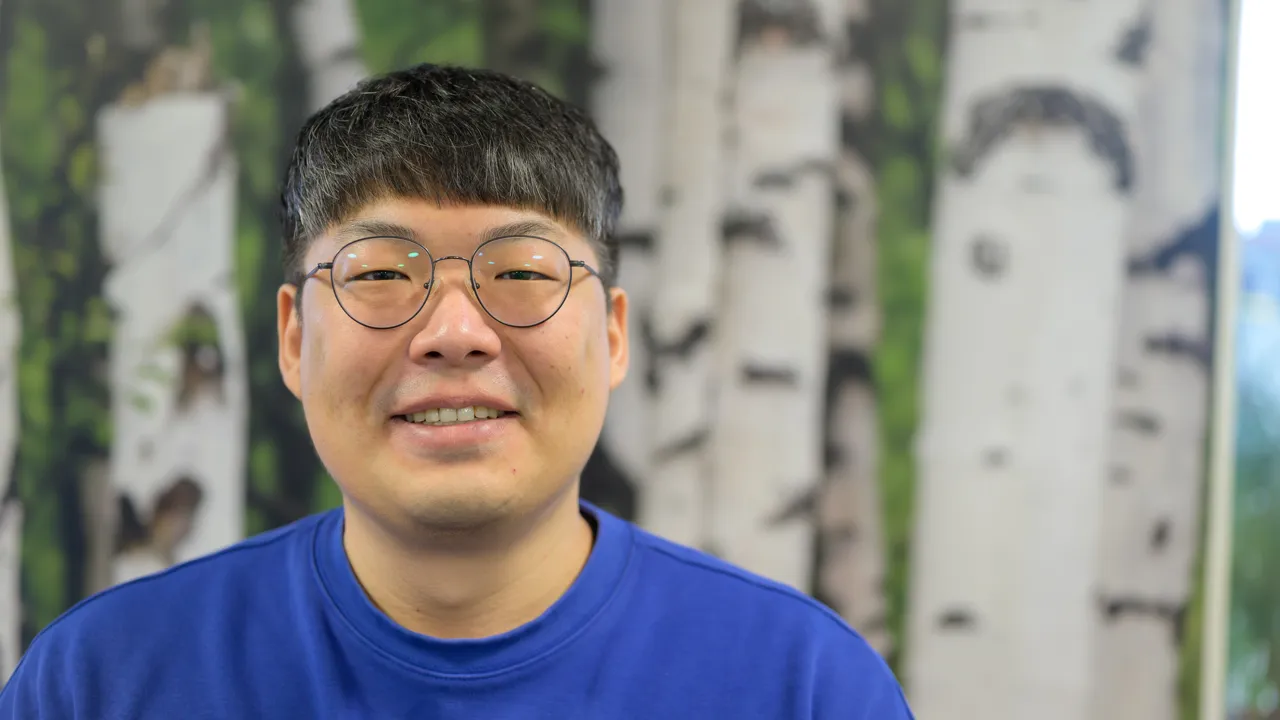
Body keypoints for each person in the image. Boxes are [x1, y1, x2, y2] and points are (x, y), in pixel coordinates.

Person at [0, 63, 913, 719]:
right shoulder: (103, 681)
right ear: (293, 339)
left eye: (520, 273)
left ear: (612, 335)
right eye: (379, 274)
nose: (454, 332)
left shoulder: (801, 686)